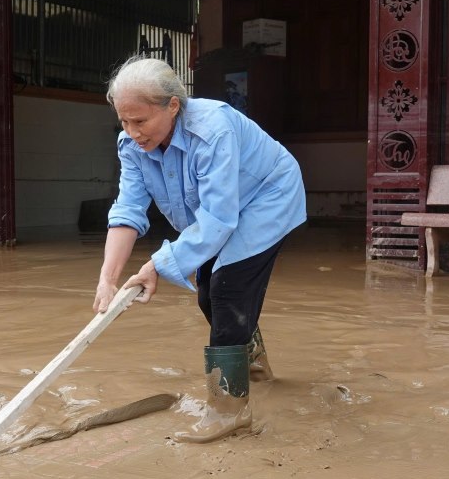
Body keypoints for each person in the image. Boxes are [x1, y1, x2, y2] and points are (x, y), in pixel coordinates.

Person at [93, 56, 306, 443]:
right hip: (218, 211)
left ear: (173, 105)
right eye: (123, 121)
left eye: (140, 121)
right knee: (210, 296)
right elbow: (127, 209)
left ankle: (228, 412)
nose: (131, 131)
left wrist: (157, 264)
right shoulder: (131, 144)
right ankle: (254, 367)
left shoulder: (213, 129)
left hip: (267, 196)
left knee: (226, 289)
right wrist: (107, 280)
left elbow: (219, 219)